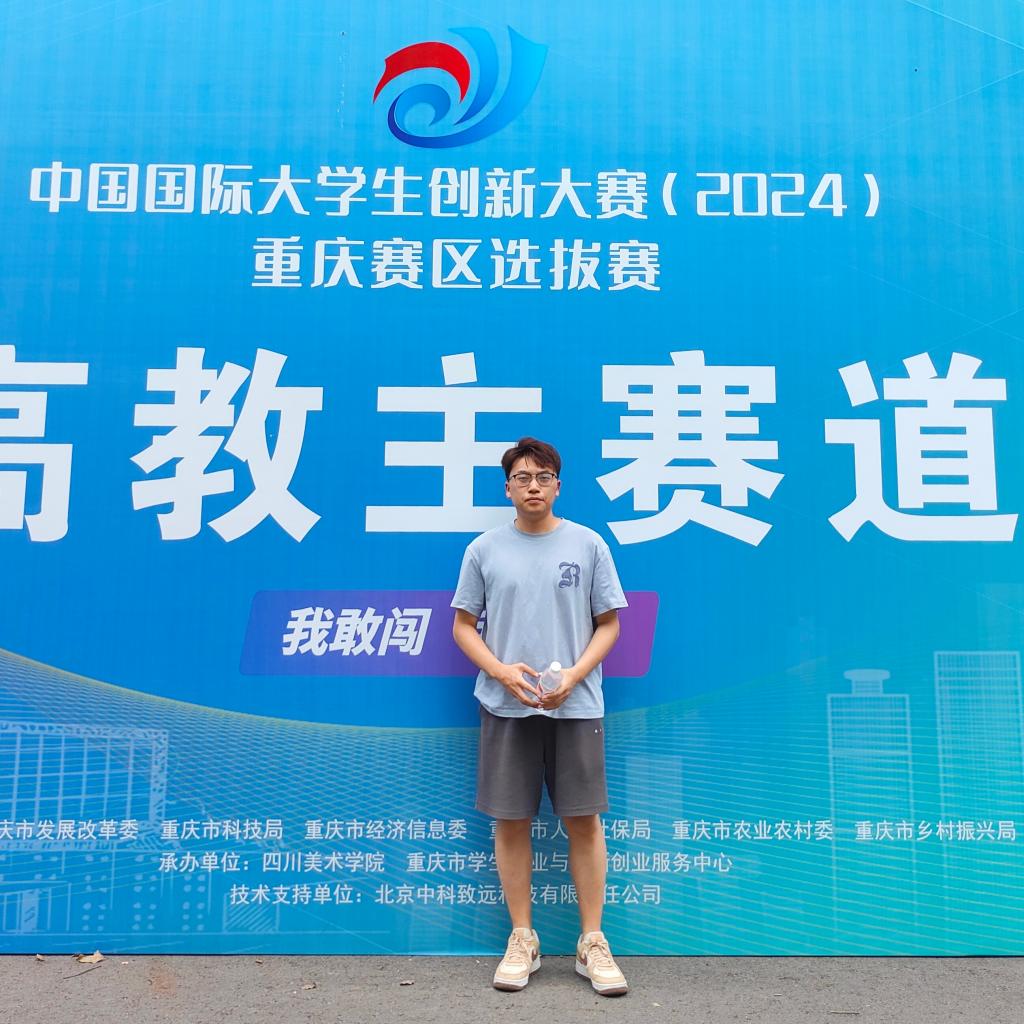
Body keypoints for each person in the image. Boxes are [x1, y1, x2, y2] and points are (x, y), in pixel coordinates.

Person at [451, 437, 629, 996]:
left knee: (584, 820)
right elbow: (462, 627)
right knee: (511, 820)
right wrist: (502, 672)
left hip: (576, 705)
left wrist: (573, 676)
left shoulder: (588, 544)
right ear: (507, 488)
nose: (534, 486)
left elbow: (609, 624)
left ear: (558, 485)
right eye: (523, 477)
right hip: (505, 705)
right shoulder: (484, 550)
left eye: (543, 476)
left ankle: (592, 941)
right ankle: (522, 937)